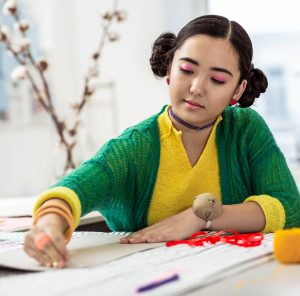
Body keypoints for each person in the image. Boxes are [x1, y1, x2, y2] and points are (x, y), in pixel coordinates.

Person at [24, 14, 300, 268]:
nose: (196, 88)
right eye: (187, 70)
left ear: (238, 89)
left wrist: (200, 217)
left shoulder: (246, 130)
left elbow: (290, 209)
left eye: (216, 79)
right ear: (169, 69)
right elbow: (77, 187)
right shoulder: (136, 146)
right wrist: (48, 225)